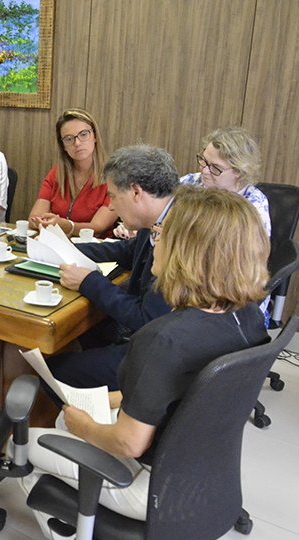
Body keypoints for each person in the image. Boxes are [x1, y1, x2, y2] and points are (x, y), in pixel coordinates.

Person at [25, 187, 270, 533]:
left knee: (28, 445)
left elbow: (128, 443)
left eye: (159, 233)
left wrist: (84, 426)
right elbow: (184, 391)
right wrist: (101, 402)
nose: (153, 238)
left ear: (187, 252)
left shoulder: (161, 339)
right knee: (69, 422)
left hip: (154, 487)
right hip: (204, 471)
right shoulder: (247, 318)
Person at [49, 145, 179, 397]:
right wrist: (66, 248)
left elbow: (146, 318)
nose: (110, 205)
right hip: (148, 333)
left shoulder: (176, 234)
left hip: (156, 353)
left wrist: (89, 281)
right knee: (73, 334)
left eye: (113, 196)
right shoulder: (159, 217)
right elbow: (127, 252)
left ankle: (80, 425)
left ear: (136, 192)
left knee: (55, 368)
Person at [28, 108, 116, 237]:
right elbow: (33, 218)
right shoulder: (57, 173)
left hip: (96, 250)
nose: (78, 143)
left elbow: (97, 228)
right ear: (63, 146)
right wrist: (41, 222)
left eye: (84, 134)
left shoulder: (113, 176)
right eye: (69, 139)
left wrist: (67, 226)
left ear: (95, 136)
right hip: (58, 246)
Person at [181, 126, 270, 236]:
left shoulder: (254, 205)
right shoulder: (190, 183)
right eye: (204, 161)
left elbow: (253, 251)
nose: (205, 171)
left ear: (239, 171)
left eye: (215, 167)